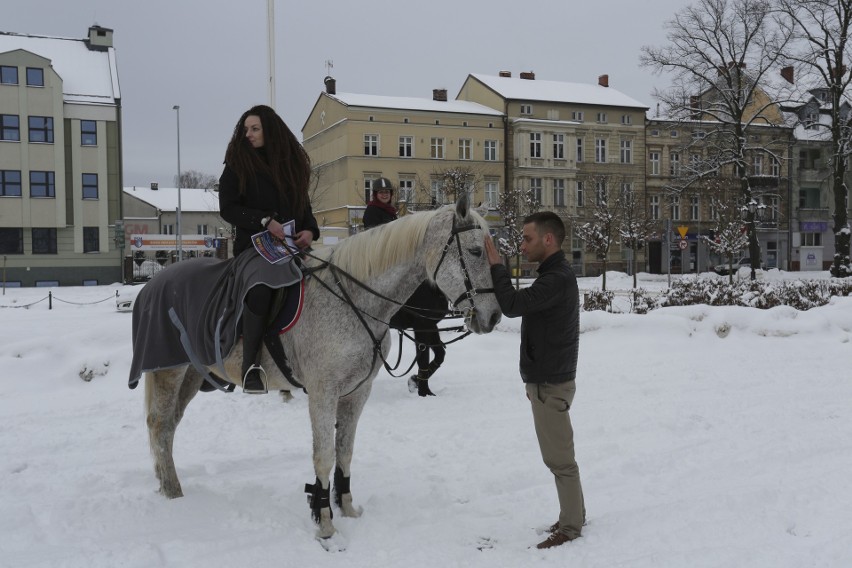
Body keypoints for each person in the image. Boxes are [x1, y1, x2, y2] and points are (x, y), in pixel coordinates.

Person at [484, 211, 584, 549]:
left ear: (548, 239)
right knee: (557, 457)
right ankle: (573, 515)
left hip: (551, 384)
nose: (522, 245)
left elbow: (512, 305)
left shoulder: (557, 279)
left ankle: (571, 527)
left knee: (560, 460)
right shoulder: (553, 276)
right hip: (546, 381)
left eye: (527, 239)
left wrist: (497, 266)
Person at [218, 104, 319, 394]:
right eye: (245, 129)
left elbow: (305, 208)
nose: (248, 134)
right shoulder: (237, 164)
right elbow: (228, 207)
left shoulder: (291, 166)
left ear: (269, 131)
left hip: (290, 247)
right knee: (262, 288)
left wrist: (310, 230)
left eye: (255, 128)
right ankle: (251, 366)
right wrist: (264, 221)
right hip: (255, 248)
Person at [362, 177, 448, 396]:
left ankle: (420, 378)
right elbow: (380, 244)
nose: (384, 194)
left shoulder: (392, 212)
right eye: (380, 192)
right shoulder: (372, 212)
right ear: (375, 194)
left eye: (387, 191)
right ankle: (422, 383)